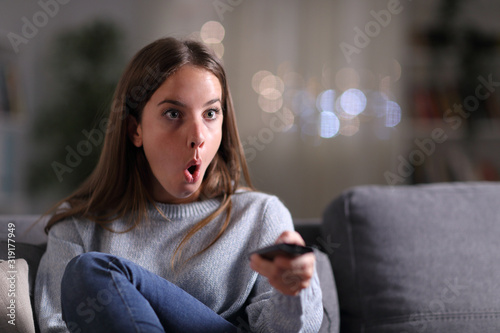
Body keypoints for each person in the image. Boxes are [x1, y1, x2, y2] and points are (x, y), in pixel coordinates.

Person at [35, 37, 323, 333]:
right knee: (90, 272)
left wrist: (293, 295)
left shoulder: (260, 215)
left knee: (92, 270)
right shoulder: (77, 226)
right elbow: (57, 326)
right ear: (136, 130)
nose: (198, 136)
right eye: (173, 114)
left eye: (211, 113)